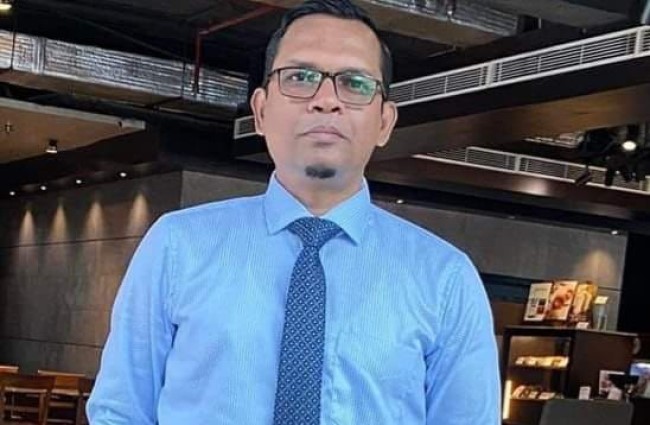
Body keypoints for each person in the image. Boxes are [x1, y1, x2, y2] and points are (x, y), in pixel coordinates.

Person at [87, 0, 501, 424]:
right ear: (261, 110)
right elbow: (120, 413)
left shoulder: (445, 279)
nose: (326, 100)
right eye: (300, 77)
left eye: (355, 83)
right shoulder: (177, 246)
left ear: (384, 122)